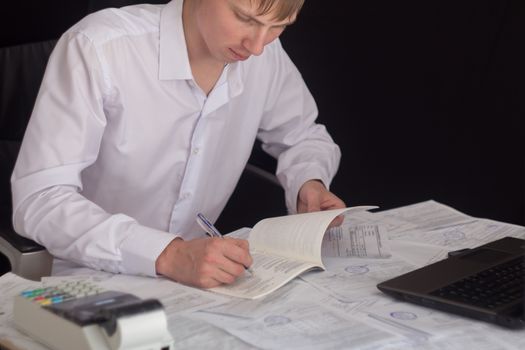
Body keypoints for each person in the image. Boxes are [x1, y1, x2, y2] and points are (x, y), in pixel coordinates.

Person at [11, 0, 345, 288]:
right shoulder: (100, 48)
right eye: (246, 19)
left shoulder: (266, 57)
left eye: (279, 26)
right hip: (88, 278)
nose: (257, 45)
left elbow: (303, 135)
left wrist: (308, 182)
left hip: (198, 282)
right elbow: (40, 199)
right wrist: (167, 253)